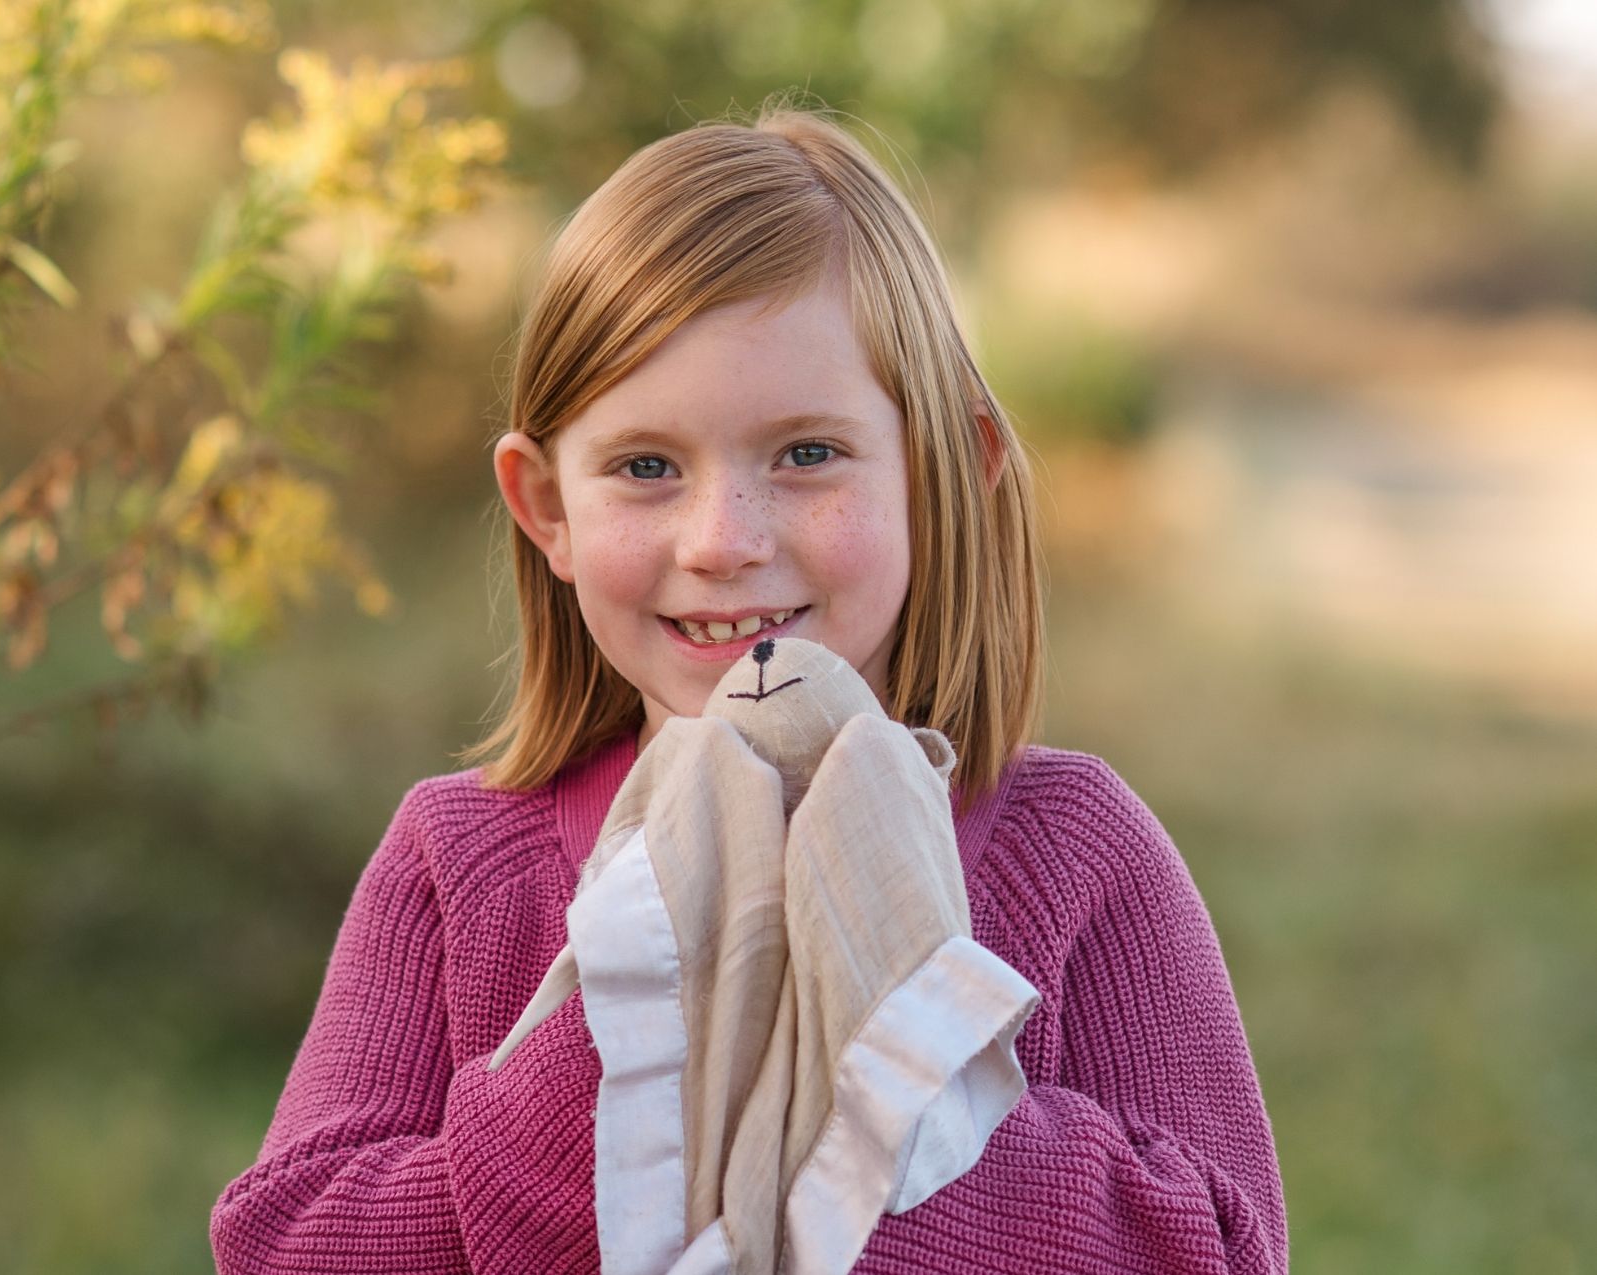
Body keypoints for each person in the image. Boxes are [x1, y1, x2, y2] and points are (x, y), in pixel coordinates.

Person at [210, 98, 1288, 1274]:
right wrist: (632, 1046)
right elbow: (287, 1243)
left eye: (808, 454)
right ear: (548, 509)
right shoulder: (459, 862)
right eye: (646, 466)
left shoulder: (1077, 852)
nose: (724, 538)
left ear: (949, 472)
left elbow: (1223, 1247)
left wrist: (892, 1059)